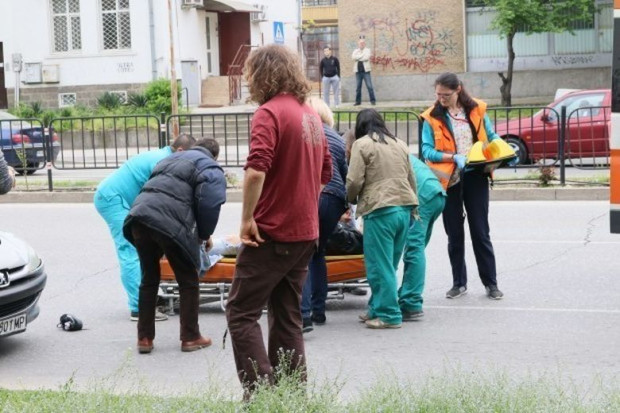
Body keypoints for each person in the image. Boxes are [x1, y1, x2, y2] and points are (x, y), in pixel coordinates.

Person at [225, 45, 332, 396]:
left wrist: (247, 220)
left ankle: (262, 394)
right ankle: (292, 394)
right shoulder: (310, 113)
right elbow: (325, 174)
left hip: (271, 233)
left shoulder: (269, 113)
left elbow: (256, 169)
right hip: (305, 234)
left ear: (262, 74)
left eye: (250, 73)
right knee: (288, 316)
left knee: (241, 312)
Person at [123, 138, 226, 354]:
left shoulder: (170, 159)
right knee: (188, 279)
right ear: (215, 155)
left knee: (148, 278)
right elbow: (210, 203)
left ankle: (144, 338)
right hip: (168, 223)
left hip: (139, 218)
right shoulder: (209, 166)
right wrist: (204, 234)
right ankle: (190, 337)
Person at [420, 72, 504, 300]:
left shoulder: (475, 110)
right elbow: (427, 151)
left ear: (458, 89)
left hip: (476, 176)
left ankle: (491, 284)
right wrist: (452, 157)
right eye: (438, 94)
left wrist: (503, 150)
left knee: (480, 232)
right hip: (450, 181)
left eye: (445, 95)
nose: (441, 99)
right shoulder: (431, 117)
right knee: (454, 235)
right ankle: (459, 283)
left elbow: (490, 136)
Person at [94, 134, 196, 321]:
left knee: (144, 248)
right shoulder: (162, 161)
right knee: (130, 250)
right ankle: (139, 308)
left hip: (123, 199)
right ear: (181, 151)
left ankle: (150, 299)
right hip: (113, 199)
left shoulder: (164, 158)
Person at [347, 109, 417, 329]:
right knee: (389, 264)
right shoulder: (400, 143)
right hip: (403, 209)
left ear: (359, 127)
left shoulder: (362, 144)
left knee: (379, 266)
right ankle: (376, 308)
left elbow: (355, 179)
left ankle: (388, 315)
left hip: (380, 209)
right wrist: (413, 207)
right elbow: (411, 177)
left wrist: (348, 199)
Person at [301, 97, 348, 333]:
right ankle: (319, 310)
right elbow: (345, 171)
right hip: (336, 199)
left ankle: (303, 314)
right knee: (318, 253)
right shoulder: (338, 139)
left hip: (316, 193)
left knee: (303, 253)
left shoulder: (308, 132)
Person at [398, 155, 446, 320]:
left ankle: (411, 303)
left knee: (413, 248)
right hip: (435, 192)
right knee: (416, 248)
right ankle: (405, 294)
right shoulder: (394, 145)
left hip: (423, 195)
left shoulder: (373, 149)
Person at [351, 36, 376, 106]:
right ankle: (358, 102)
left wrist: (358, 57)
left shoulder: (367, 50)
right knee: (358, 88)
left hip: (366, 72)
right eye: (360, 43)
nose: (362, 44)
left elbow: (366, 58)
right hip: (358, 72)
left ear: (364, 44)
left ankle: (373, 101)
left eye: (363, 43)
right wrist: (361, 56)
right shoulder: (355, 51)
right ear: (358, 44)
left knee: (369, 86)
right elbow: (353, 57)